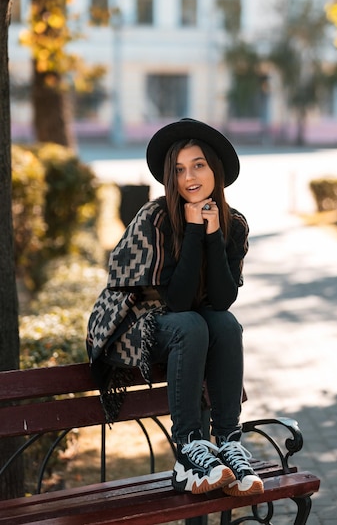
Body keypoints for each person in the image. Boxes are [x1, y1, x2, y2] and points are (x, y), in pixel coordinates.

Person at [86, 118, 263, 497]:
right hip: (134, 323)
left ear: (214, 168)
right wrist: (194, 230)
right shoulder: (156, 220)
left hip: (185, 321)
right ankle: (187, 451)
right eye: (179, 170)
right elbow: (177, 302)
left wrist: (212, 233)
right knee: (192, 326)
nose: (189, 178)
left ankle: (229, 441)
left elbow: (221, 299)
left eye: (198, 165)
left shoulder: (233, 224)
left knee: (227, 324)